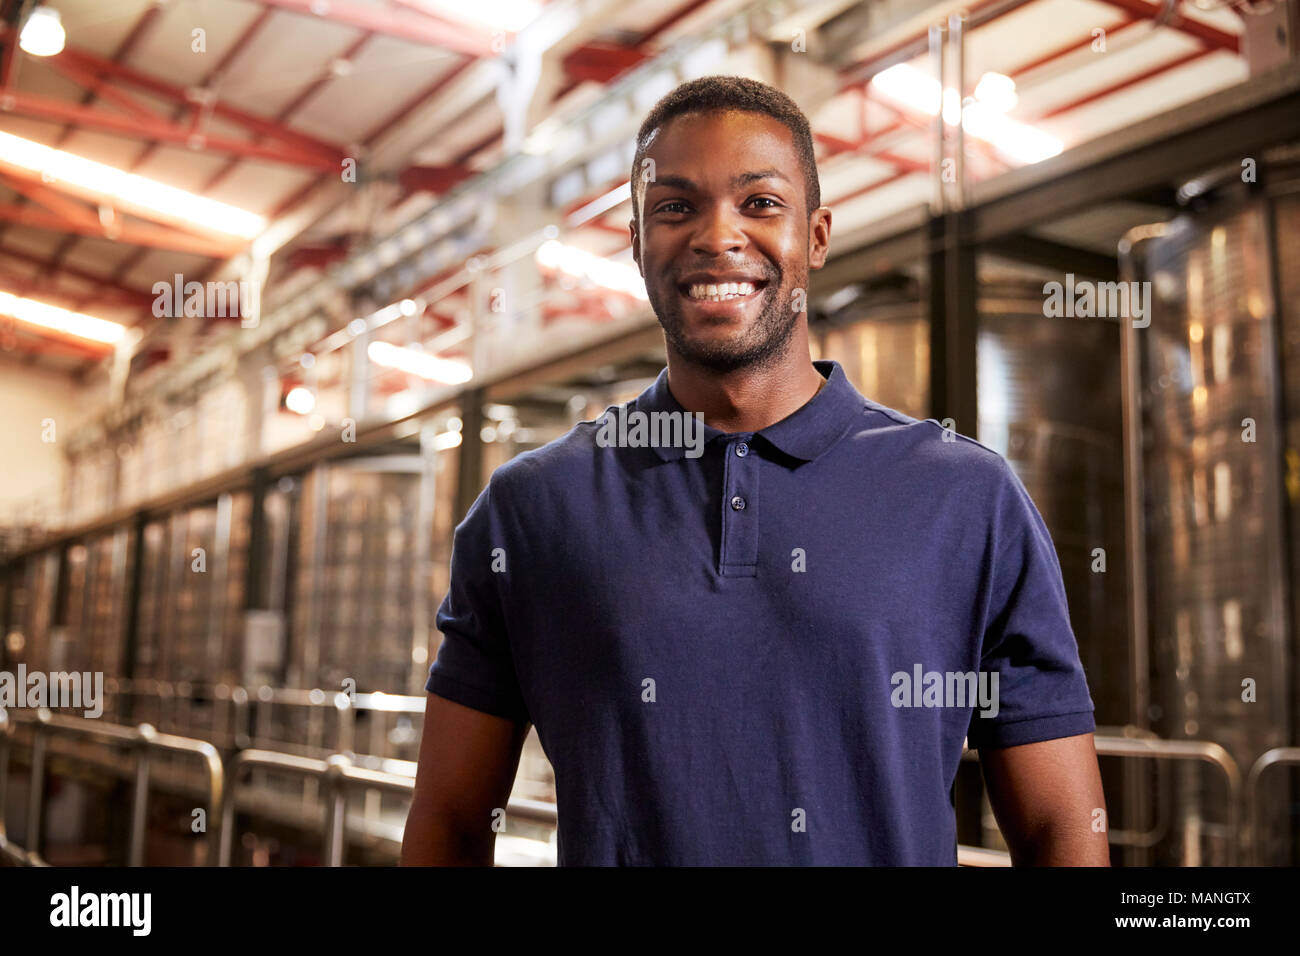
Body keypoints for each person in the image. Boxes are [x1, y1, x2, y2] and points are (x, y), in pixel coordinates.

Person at [401, 75, 1109, 866]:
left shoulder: (966, 498)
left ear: (816, 237)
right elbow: (450, 821)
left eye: (760, 203)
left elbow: (1060, 832)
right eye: (674, 207)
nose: (716, 236)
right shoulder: (532, 509)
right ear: (637, 243)